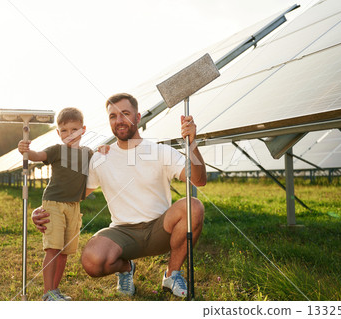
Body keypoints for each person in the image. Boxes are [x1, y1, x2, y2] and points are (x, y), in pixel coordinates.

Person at [32, 93, 206, 298]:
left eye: (125, 113)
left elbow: (198, 179)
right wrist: (42, 209)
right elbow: (74, 196)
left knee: (194, 206)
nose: (119, 120)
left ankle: (172, 274)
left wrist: (192, 144)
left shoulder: (160, 151)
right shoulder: (100, 157)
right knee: (92, 261)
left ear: (138, 117)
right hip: (122, 234)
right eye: (113, 116)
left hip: (160, 229)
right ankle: (126, 269)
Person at [18, 107, 93, 301]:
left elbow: (101, 163)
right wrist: (25, 150)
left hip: (74, 206)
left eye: (74, 129)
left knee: (65, 252)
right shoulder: (57, 150)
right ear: (59, 133)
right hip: (54, 203)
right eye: (65, 130)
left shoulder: (88, 153)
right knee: (53, 248)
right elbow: (38, 156)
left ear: (83, 129)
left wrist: (105, 150)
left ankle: (55, 291)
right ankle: (47, 293)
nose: (70, 134)